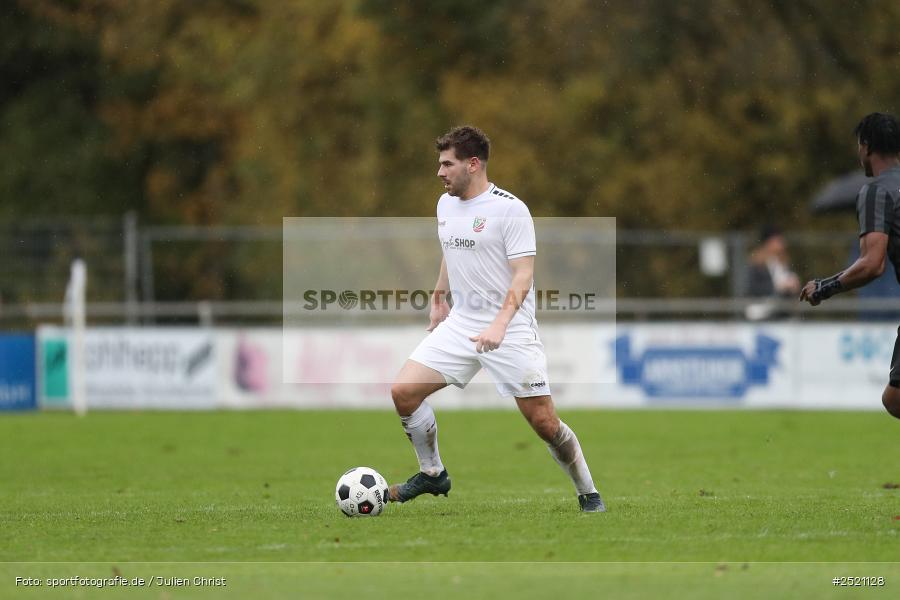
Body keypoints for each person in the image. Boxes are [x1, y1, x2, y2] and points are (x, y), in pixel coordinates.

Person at [388, 126, 606, 512]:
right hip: (461, 325)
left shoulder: (510, 209)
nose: (440, 172)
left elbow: (523, 274)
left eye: (447, 164)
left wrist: (501, 323)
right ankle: (433, 474)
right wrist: (440, 295)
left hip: (511, 328)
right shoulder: (445, 205)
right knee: (404, 392)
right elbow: (450, 249)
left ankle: (588, 492)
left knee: (544, 423)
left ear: (473, 164)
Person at [800, 112, 900, 419]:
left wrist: (824, 287)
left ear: (866, 147)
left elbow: (872, 264)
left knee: (896, 400)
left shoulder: (876, 191)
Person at [744, 226, 801, 320]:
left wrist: (793, 287)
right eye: (778, 241)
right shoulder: (756, 263)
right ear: (768, 242)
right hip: (761, 313)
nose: (782, 244)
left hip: (781, 313)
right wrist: (778, 286)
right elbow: (752, 287)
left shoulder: (784, 262)